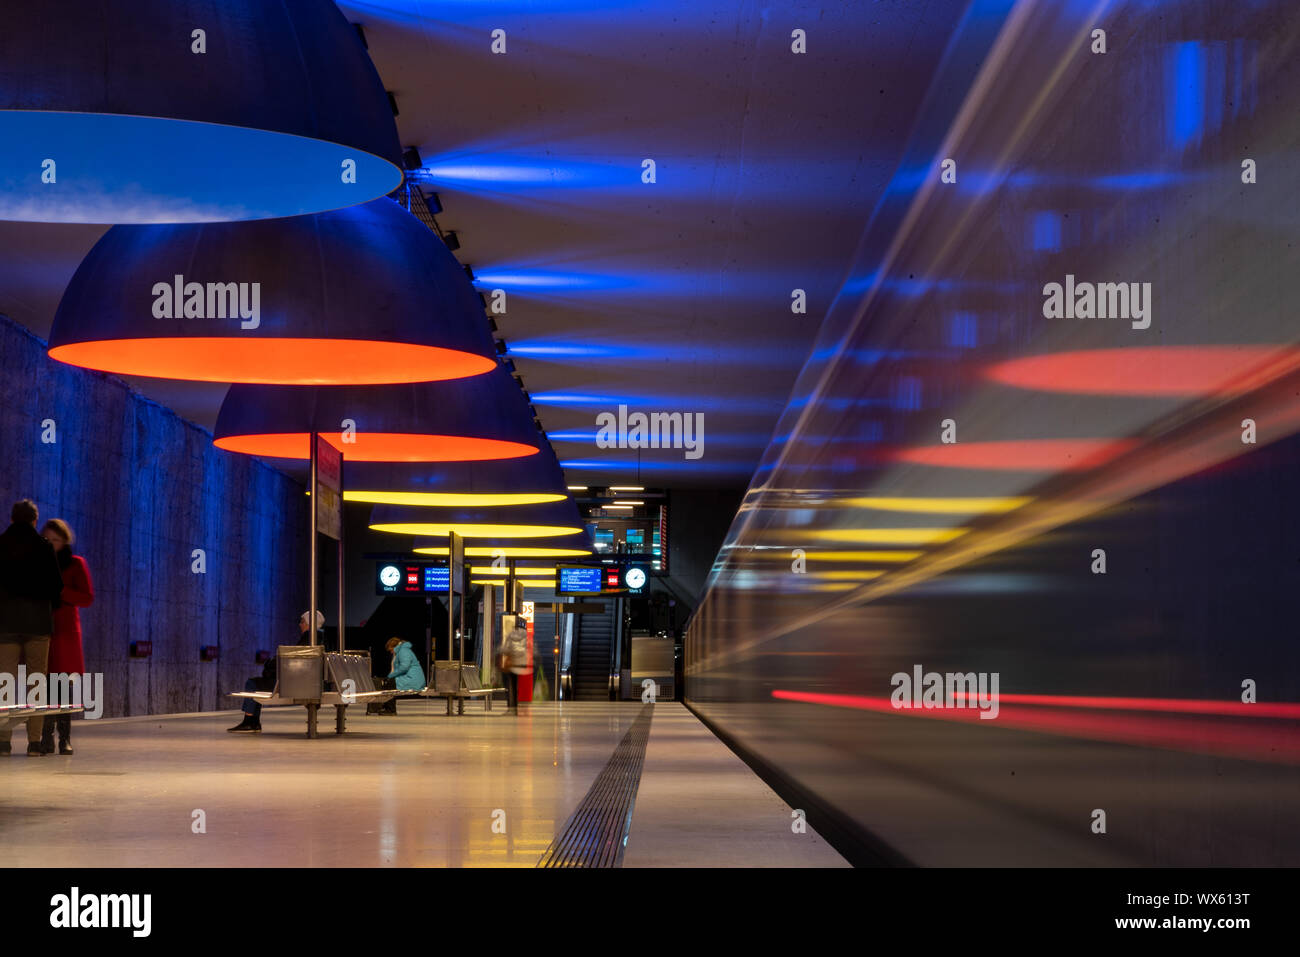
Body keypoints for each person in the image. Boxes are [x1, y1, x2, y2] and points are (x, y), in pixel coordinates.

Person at [0, 499, 64, 756]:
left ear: (12, 519)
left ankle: (3, 741)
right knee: (36, 680)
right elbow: (56, 586)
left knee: (5, 681)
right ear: (35, 521)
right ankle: (35, 742)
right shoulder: (44, 547)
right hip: (37, 623)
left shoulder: (0, 545)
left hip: (5, 623)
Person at [39, 519, 94, 755]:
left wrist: (61, 590)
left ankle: (64, 738)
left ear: (65, 541)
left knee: (62, 687)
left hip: (65, 633)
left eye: (56, 541)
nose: (52, 545)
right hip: (42, 628)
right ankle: (46, 737)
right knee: (45, 686)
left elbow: (87, 598)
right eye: (48, 540)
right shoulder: (37, 562)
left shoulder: (75, 563)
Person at [228, 610, 324, 733]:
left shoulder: (308, 640)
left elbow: (289, 661)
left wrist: (269, 665)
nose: (300, 624)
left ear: (309, 624)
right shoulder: (317, 640)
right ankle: (253, 722)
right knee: (258, 683)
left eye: (302, 622)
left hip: (294, 685)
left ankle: (250, 721)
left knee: (252, 683)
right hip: (304, 683)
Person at [496, 617, 530, 715]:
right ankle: (516, 704)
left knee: (510, 685)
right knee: (516, 685)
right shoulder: (525, 635)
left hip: (512, 663)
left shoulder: (511, 634)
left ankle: (512, 707)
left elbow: (504, 649)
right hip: (522, 663)